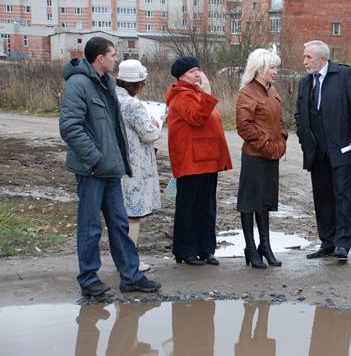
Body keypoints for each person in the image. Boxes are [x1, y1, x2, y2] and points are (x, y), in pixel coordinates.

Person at [59, 36, 161, 297]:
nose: (116, 59)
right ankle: (89, 279)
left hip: (111, 169)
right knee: (90, 226)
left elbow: (114, 128)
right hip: (91, 170)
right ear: (100, 57)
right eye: (113, 54)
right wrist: (95, 158)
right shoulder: (78, 85)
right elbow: (70, 128)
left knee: (119, 224)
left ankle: (131, 276)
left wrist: (116, 159)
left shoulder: (107, 84)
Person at [294, 40, 351, 261]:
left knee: (341, 195)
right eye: (305, 57)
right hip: (317, 151)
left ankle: (343, 244)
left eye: (308, 57)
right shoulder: (306, 83)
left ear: (322, 59)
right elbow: (299, 114)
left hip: (341, 147)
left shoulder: (343, 75)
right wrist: (305, 142)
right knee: (321, 196)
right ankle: (327, 241)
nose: (305, 61)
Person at [165, 56, 232, 266]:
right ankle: (186, 250)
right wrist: (207, 93)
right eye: (192, 71)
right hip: (191, 161)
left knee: (207, 206)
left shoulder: (195, 94)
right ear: (181, 76)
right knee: (189, 207)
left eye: (198, 70)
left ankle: (206, 249)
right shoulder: (181, 96)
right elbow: (196, 117)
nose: (197, 74)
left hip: (207, 160)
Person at [236, 48, 287, 269]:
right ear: (259, 69)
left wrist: (281, 139)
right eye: (272, 67)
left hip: (271, 154)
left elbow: (278, 121)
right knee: (249, 202)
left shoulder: (272, 91)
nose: (276, 71)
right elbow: (244, 127)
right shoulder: (247, 92)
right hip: (255, 156)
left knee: (265, 201)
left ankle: (264, 246)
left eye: (276, 67)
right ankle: (250, 247)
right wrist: (266, 144)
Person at [116, 59, 162, 273]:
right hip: (135, 163)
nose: (143, 86)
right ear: (135, 83)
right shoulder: (133, 104)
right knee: (133, 212)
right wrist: (157, 122)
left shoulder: (112, 97)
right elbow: (149, 133)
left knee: (122, 212)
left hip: (118, 161)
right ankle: (130, 260)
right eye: (142, 83)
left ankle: (123, 258)